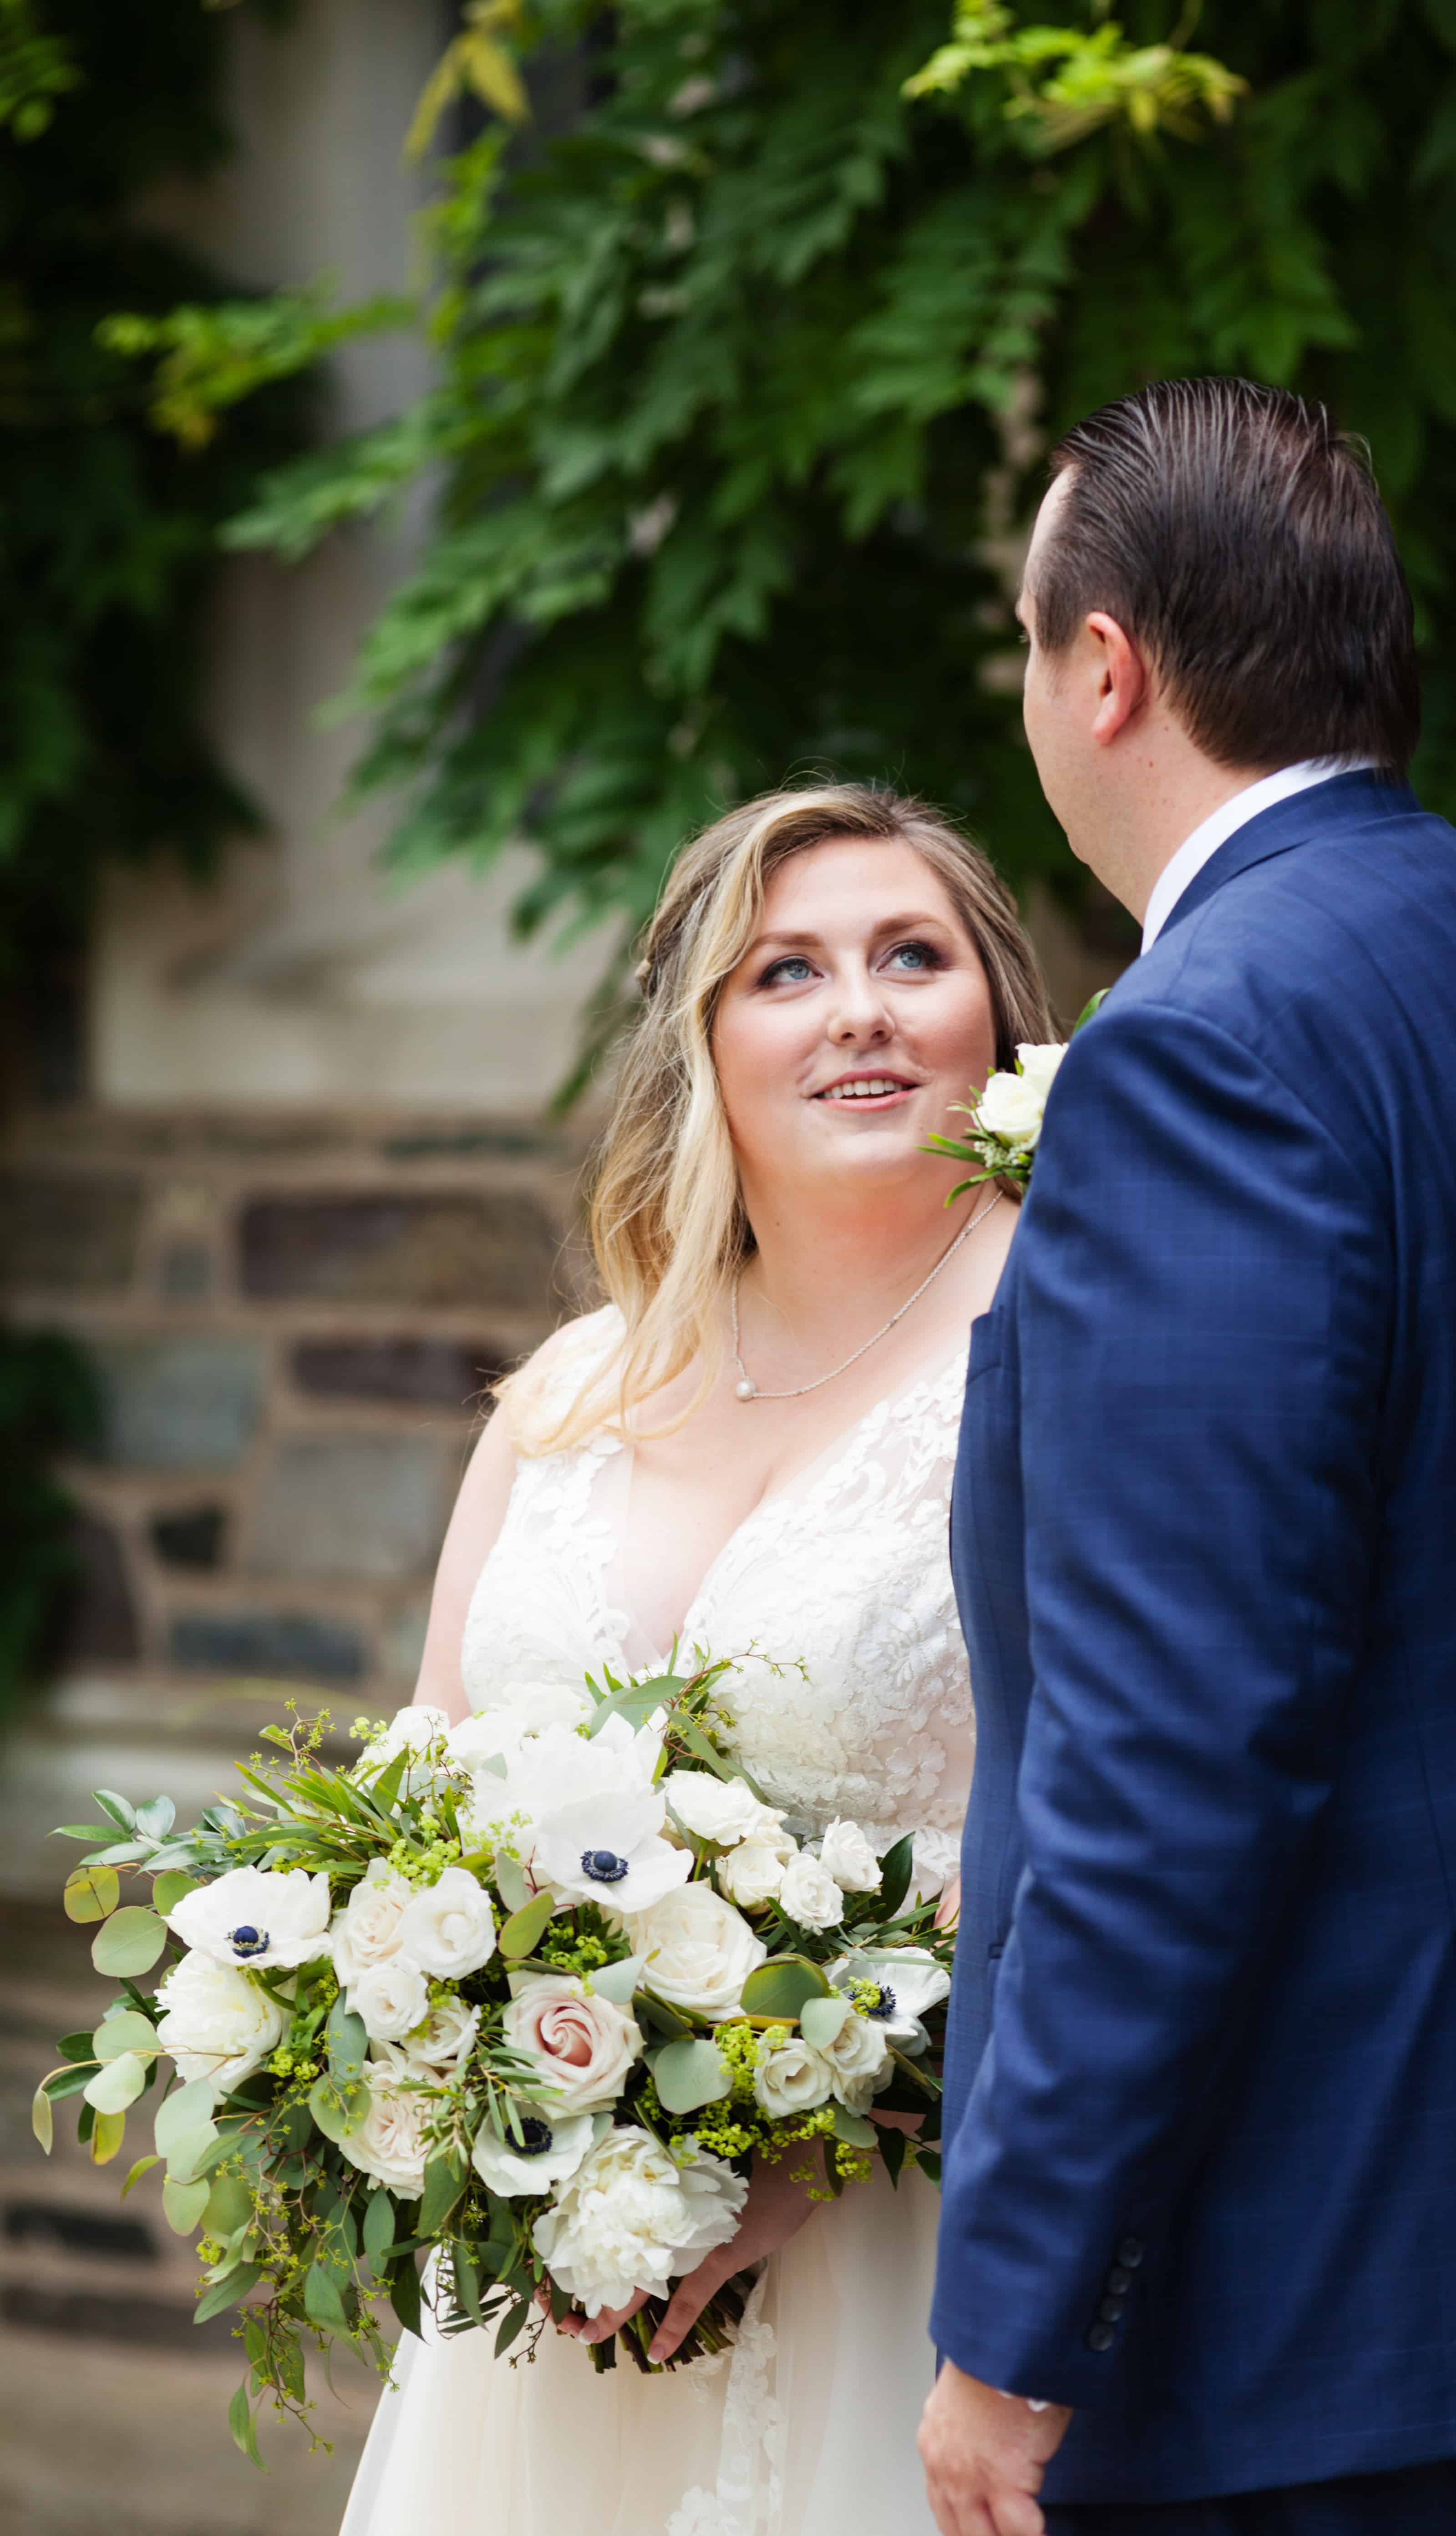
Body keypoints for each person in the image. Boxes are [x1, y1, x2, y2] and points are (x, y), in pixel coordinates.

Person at [921, 378, 1456, 2536]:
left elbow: (1174, 1742)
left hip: (1332, 2295)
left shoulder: (1203, 1050)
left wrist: (1018, 2316)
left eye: (1019, 635)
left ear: (1105, 667)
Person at [338, 780, 1057, 2536]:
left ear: (995, 1010)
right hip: (551, 2269)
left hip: (903, 2242)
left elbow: (1105, 1807)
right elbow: (429, 1760)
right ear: (707, 1040)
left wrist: (805, 2141)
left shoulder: (1071, 1346)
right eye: (786, 970)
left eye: (912, 955)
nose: (861, 1008)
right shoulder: (582, 1378)